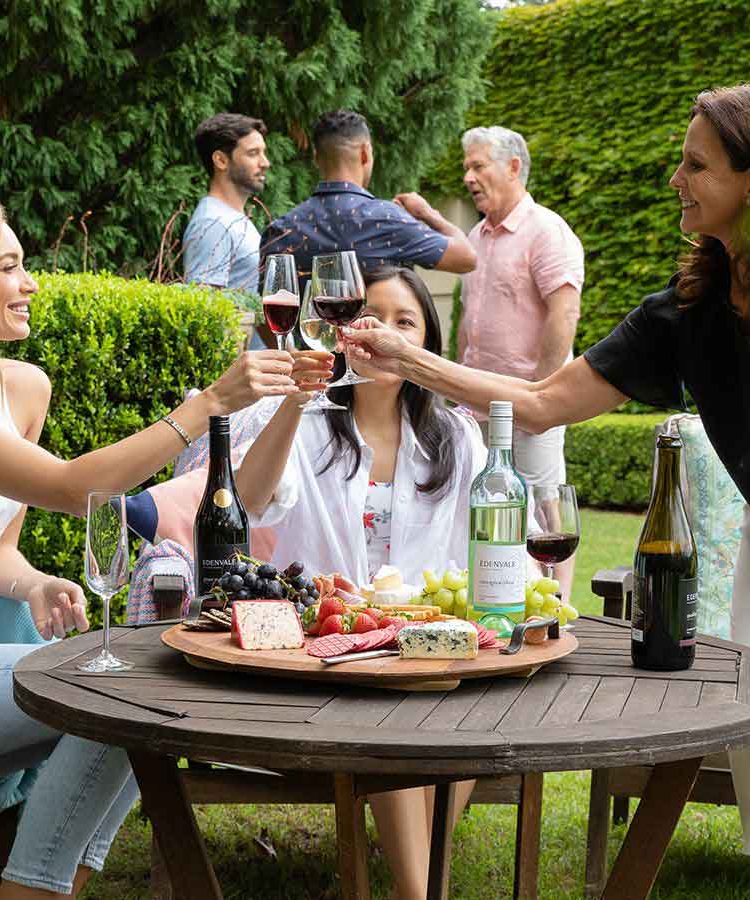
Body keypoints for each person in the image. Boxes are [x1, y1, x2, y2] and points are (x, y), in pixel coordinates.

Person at [344, 84, 750, 900]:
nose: (676, 177)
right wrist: (407, 358)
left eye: (695, 163)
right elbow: (539, 402)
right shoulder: (685, 312)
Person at [0, 196, 298, 899]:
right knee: (122, 688)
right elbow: (71, 488)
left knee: (137, 700)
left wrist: (31, 583)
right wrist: (204, 406)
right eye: (9, 265)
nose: (31, 281)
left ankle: (41, 889)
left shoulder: (24, 389)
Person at [234, 267, 488, 900]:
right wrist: (295, 397)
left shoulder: (457, 439)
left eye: (406, 322)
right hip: (325, 652)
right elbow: (248, 501)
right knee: (396, 720)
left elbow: (484, 562)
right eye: (371, 317)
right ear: (343, 331)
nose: (385, 333)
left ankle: (416, 883)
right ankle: (419, 889)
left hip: (427, 653)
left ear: (426, 343)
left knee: (476, 712)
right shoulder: (309, 423)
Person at [459, 126, 584, 598]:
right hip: (479, 404)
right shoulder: (477, 235)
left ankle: (556, 607)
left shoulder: (547, 230)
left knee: (544, 504)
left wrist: (542, 395)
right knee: (490, 507)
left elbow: (565, 311)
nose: (469, 176)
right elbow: (470, 324)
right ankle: (500, 595)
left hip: (533, 402)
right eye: (466, 167)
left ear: (513, 167)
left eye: (478, 165)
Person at [260, 109, 476, 291]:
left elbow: (265, 309)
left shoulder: (281, 229)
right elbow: (467, 257)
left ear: (317, 158)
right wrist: (429, 214)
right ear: (365, 153)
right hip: (373, 342)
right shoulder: (387, 219)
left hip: (304, 341)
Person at [183, 112, 274, 347]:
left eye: (263, 153)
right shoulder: (212, 223)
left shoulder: (233, 218)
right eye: (253, 153)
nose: (265, 162)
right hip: (242, 377)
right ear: (221, 160)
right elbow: (207, 316)